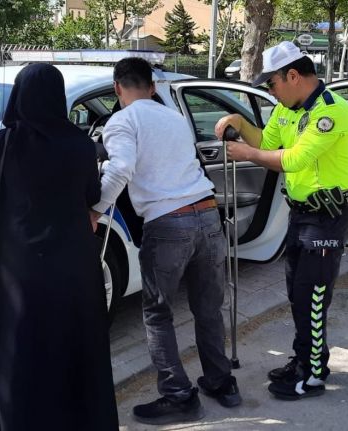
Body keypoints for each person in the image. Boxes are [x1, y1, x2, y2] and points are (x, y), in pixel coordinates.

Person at [91, 57, 242, 426]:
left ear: (117, 88)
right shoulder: (174, 118)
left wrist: (94, 211)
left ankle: (178, 395)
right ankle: (222, 384)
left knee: (158, 313)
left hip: (168, 223)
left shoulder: (122, 120)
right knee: (208, 307)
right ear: (153, 86)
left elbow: (121, 168)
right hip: (208, 215)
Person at [0, 63, 119, 430]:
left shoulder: (5, 142)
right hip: (73, 266)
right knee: (73, 346)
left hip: (16, 269)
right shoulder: (80, 144)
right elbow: (92, 195)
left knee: (17, 351)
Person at [215, 41, 348, 400]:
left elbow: (293, 159)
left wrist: (246, 153)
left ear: (292, 75)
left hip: (328, 217)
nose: (270, 91)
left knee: (311, 298)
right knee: (298, 295)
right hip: (301, 214)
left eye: (272, 84)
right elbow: (266, 139)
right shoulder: (286, 109)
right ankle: (303, 361)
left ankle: (312, 377)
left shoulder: (332, 111)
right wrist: (238, 122)